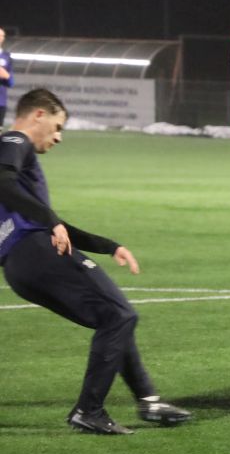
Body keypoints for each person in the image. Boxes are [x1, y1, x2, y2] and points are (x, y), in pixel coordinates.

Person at [0, 88, 192, 433]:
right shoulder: (15, 140)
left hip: (20, 264)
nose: (58, 137)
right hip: (35, 251)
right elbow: (4, 182)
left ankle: (149, 400)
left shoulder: (18, 168)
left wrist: (108, 246)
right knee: (120, 315)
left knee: (112, 317)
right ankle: (89, 410)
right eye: (57, 127)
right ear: (39, 115)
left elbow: (40, 216)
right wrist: (51, 221)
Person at [0, 28, 13, 127]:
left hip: (1, 102)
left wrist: (6, 76)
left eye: (1, 36)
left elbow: (11, 83)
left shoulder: (7, 57)